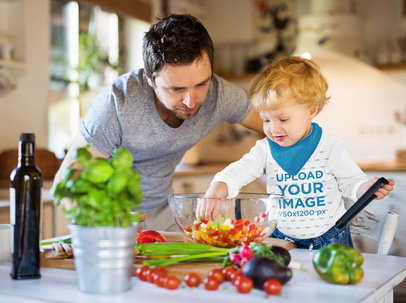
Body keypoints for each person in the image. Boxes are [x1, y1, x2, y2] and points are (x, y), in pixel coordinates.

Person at [52, 14, 263, 231]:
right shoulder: (117, 104)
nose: (191, 101)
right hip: (110, 220)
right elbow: (67, 182)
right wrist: (99, 226)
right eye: (176, 89)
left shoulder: (220, 94)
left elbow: (276, 126)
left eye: (201, 84)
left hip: (165, 219)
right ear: (150, 79)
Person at [198, 56, 395, 249]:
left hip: (330, 239)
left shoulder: (330, 147)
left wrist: (366, 188)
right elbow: (239, 171)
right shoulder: (265, 149)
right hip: (281, 239)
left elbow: (351, 182)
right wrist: (218, 187)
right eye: (266, 120)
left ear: (311, 111)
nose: (273, 129)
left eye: (283, 119)